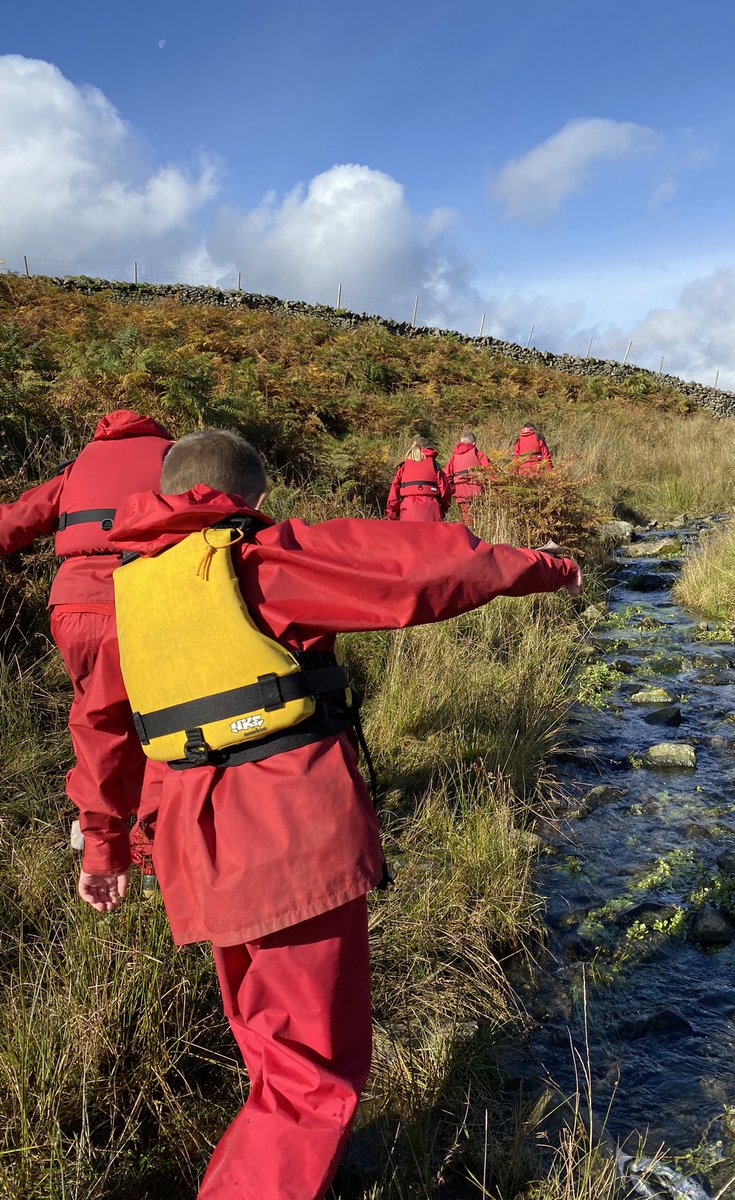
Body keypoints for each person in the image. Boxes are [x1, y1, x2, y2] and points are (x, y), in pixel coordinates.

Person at [66, 429, 581, 1200]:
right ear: (256, 499)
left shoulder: (133, 590)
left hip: (196, 854)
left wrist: (104, 849)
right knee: (312, 1079)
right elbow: (425, 567)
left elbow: (101, 732)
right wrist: (553, 567)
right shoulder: (260, 559)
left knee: (273, 1054)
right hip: (287, 839)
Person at [0, 408, 172, 701]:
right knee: (161, 709)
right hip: (147, 602)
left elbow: (16, 520)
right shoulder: (174, 462)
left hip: (76, 608)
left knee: (95, 714)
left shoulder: (78, 468)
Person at [385, 437, 451, 521]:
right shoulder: (434, 465)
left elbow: (393, 493)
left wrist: (392, 515)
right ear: (428, 448)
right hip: (431, 509)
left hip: (408, 510)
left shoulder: (404, 466)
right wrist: (444, 510)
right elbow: (445, 491)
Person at [444, 432, 492, 525]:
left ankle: (467, 533)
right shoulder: (478, 453)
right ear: (474, 444)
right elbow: (490, 471)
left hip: (460, 490)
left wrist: (453, 488)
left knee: (465, 515)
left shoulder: (454, 456)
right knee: (478, 517)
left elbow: (447, 475)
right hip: (476, 488)